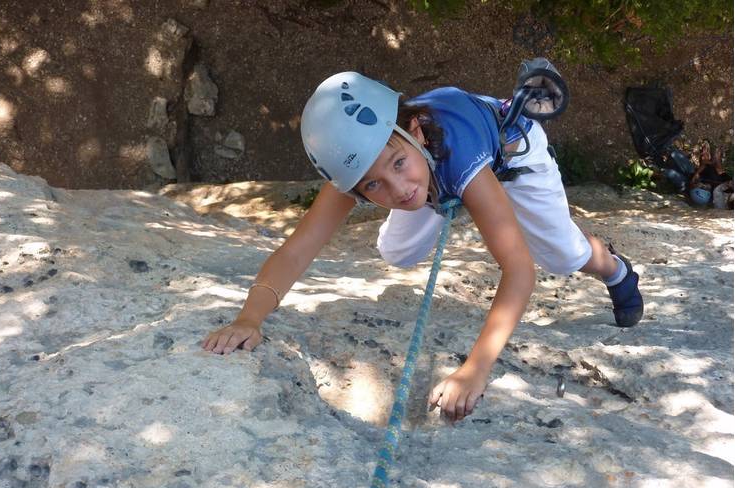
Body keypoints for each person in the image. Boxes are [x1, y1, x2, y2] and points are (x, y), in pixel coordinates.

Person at [201, 71, 644, 422]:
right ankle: (445, 192)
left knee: (562, 256)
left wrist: (475, 369)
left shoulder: (452, 154)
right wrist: (249, 318)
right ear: (354, 186)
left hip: (509, 158)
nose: (397, 188)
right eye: (373, 185)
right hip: (435, 170)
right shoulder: (367, 161)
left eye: (396, 164)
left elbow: (519, 269)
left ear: (413, 128)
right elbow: (297, 250)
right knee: (397, 251)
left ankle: (616, 270)